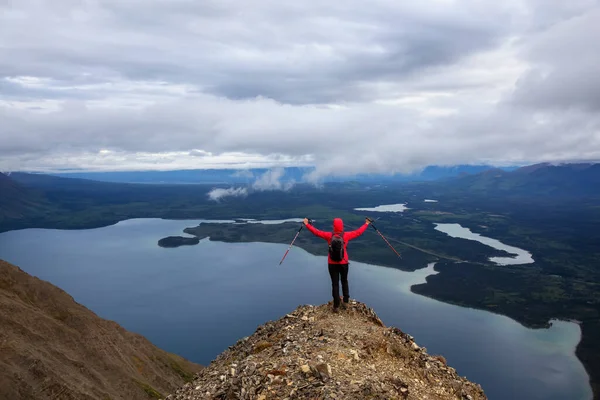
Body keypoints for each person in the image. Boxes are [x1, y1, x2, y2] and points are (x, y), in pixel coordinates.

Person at [303, 217, 371, 311]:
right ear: (342, 226)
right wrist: (366, 223)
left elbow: (316, 232)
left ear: (334, 226)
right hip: (343, 262)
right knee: (344, 281)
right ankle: (346, 302)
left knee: (335, 284)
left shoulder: (329, 236)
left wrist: (307, 224)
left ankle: (336, 305)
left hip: (332, 263)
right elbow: (358, 232)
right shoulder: (346, 235)